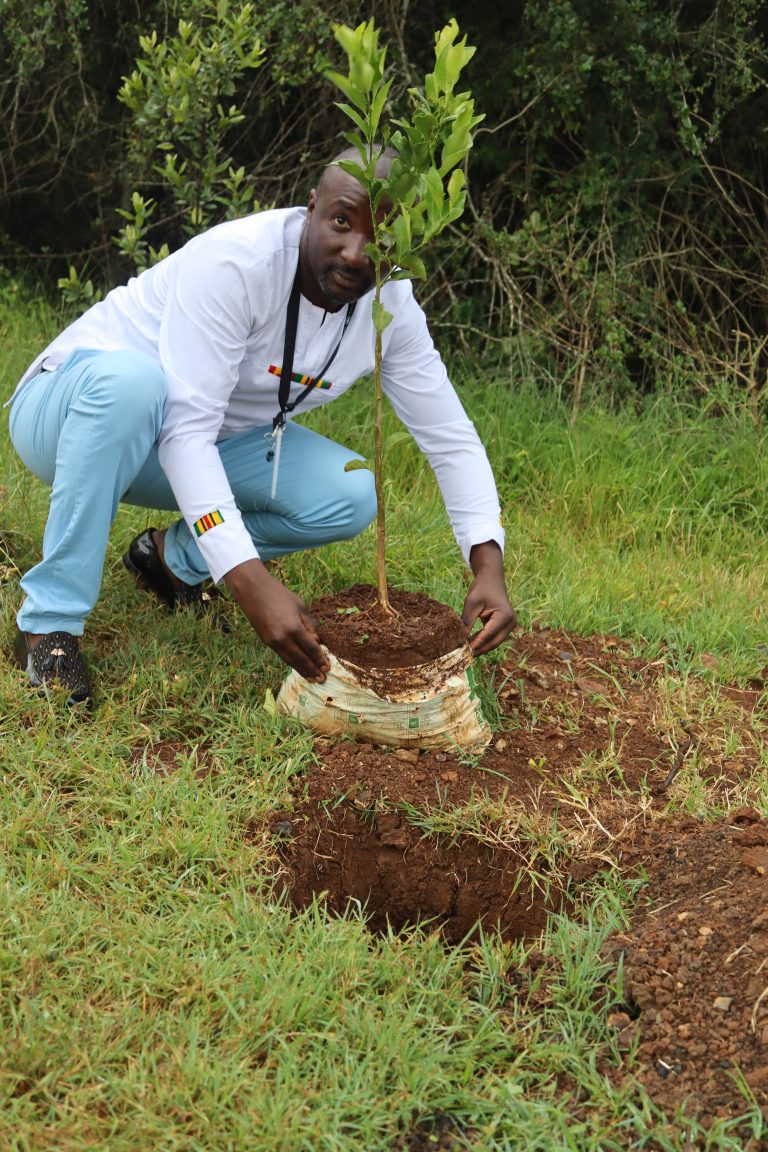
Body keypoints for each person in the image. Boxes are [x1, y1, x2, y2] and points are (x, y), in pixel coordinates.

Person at [6, 147, 516, 706]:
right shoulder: (237, 263)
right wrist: (249, 581)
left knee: (351, 491)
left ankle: (170, 564)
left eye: (383, 235)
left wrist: (487, 565)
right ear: (312, 207)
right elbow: (185, 429)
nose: (355, 252)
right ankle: (48, 623)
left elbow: (449, 434)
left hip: (193, 447)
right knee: (134, 385)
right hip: (68, 414)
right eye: (342, 222)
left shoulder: (390, 308)